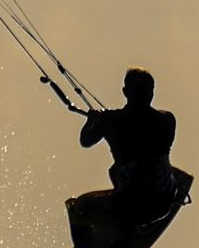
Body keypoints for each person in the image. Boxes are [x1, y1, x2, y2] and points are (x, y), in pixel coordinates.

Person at [71, 67, 177, 229]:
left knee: (78, 207)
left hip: (133, 210)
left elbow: (86, 140)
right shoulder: (168, 120)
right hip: (166, 201)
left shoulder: (110, 120)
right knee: (115, 171)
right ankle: (135, 222)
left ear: (125, 92)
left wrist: (92, 121)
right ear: (151, 92)